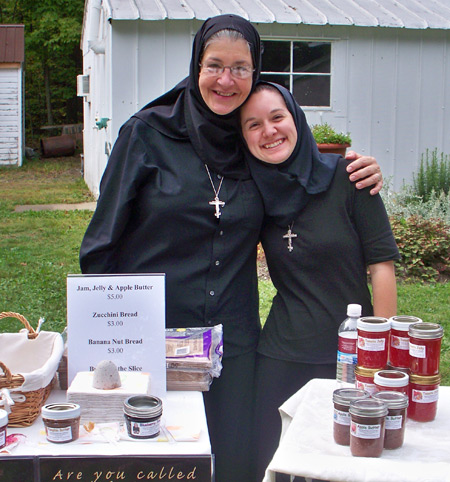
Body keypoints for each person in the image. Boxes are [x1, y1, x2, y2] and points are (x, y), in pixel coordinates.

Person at [79, 15, 383, 482]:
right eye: (214, 65)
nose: (226, 79)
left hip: (233, 345)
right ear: (195, 65)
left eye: (241, 67)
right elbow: (101, 246)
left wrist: (358, 171)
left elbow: (302, 171)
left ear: (256, 71)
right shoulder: (146, 135)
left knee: (235, 461)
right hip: (154, 337)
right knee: (157, 459)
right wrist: (106, 333)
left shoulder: (249, 137)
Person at [240, 82, 400, 481]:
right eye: (253, 124)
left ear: (296, 118)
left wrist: (383, 355)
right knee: (273, 461)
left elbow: (381, 266)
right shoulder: (251, 191)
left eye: (277, 117)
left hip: (351, 355)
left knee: (345, 463)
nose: (269, 131)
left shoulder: (350, 179)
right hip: (280, 354)